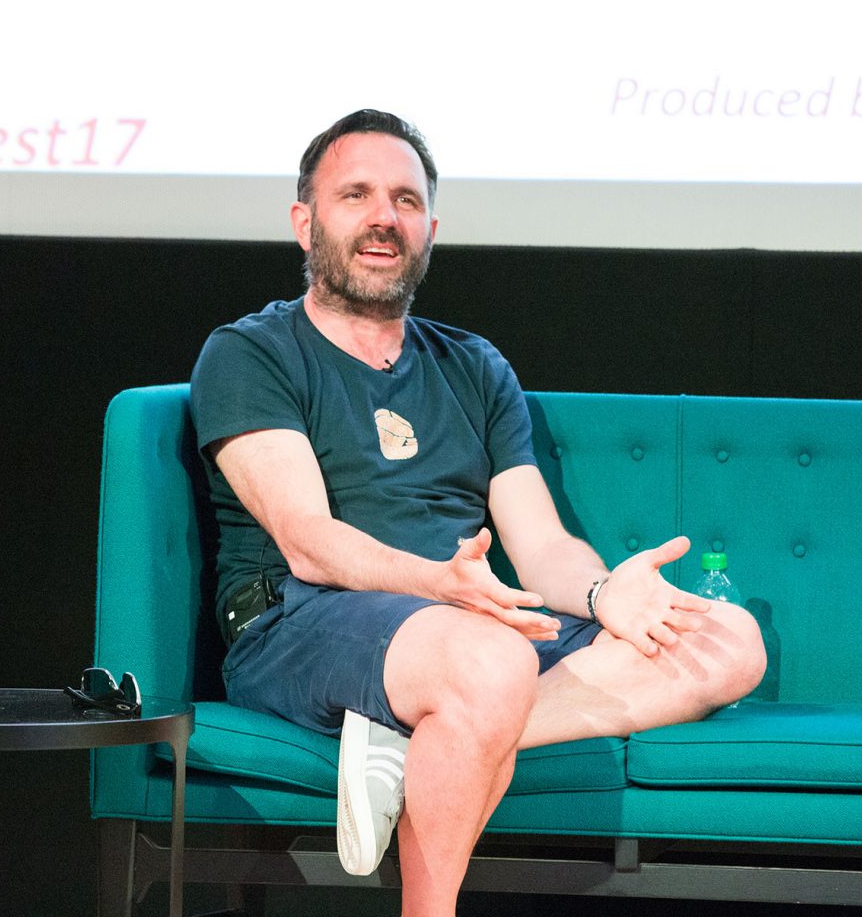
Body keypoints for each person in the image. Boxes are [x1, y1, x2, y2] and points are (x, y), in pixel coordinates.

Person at [190, 108, 766, 917]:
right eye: (356, 195)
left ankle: (415, 740)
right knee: (489, 662)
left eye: (405, 200)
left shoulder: (471, 364)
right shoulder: (251, 351)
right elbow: (308, 542)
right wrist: (441, 585)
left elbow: (540, 544)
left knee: (726, 642)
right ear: (305, 222)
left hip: (465, 628)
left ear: (429, 229)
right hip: (301, 616)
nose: (384, 217)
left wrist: (605, 593)